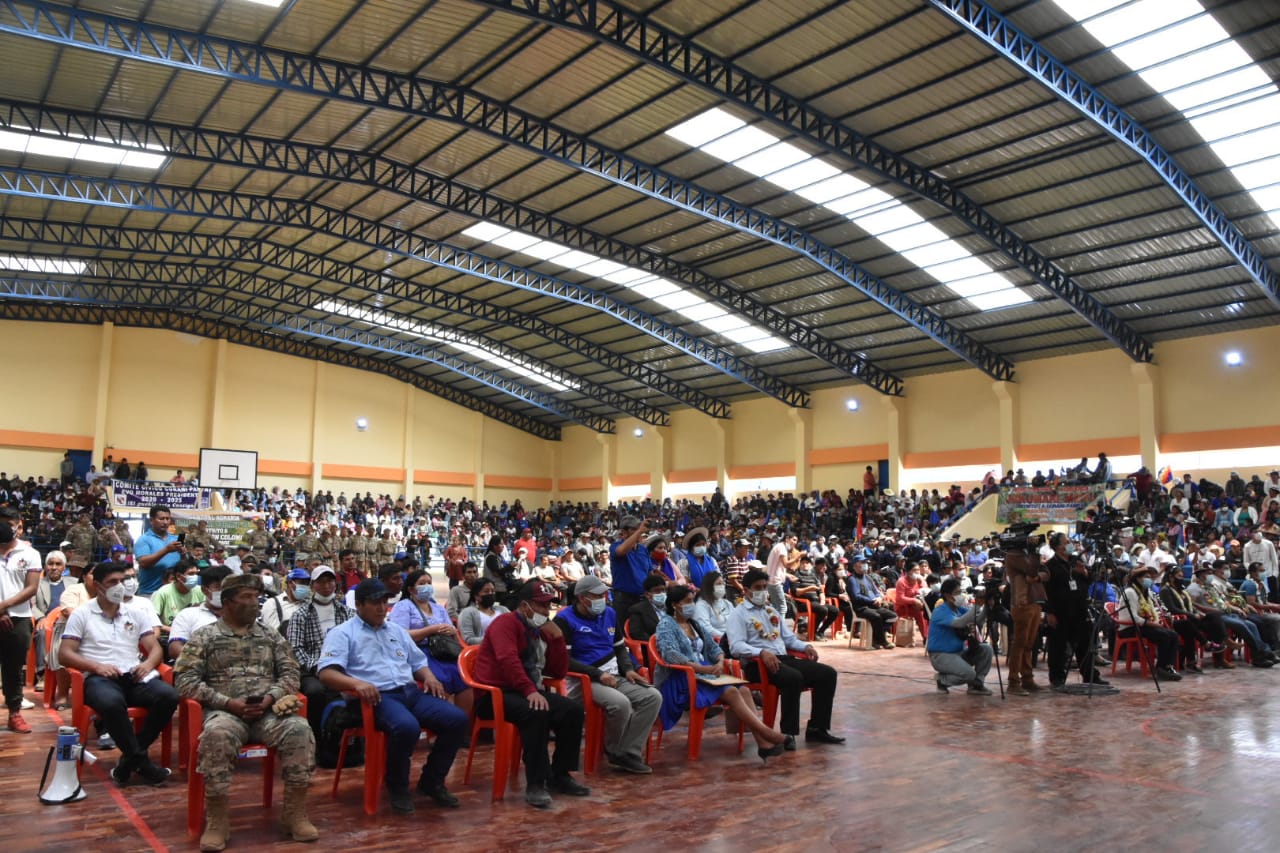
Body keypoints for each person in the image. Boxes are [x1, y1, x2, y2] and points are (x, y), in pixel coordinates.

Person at [174, 574, 318, 851]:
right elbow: (185, 680)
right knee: (216, 736)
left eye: (256, 597)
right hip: (225, 711)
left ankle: (294, 813)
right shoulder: (206, 636)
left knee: (299, 730)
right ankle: (217, 821)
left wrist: (270, 697)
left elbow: (290, 672)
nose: (255, 603)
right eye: (247, 598)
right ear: (227, 602)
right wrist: (226, 703)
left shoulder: (269, 635)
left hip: (268, 712)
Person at [318, 579, 468, 815]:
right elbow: (326, 672)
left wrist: (429, 676)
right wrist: (356, 683)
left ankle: (432, 780)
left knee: (457, 719)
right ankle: (397, 786)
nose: (381, 608)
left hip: (409, 692)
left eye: (384, 602)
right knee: (406, 727)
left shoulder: (396, 631)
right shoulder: (343, 633)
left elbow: (418, 662)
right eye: (374, 603)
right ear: (358, 605)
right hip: (377, 698)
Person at [470, 581, 589, 809]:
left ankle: (560, 774)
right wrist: (530, 691)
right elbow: (508, 661)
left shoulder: (537, 630)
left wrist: (558, 641)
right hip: (494, 694)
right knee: (536, 712)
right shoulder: (505, 624)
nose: (546, 612)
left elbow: (557, 671)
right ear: (525, 606)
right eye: (541, 606)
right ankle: (536, 782)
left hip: (525, 690)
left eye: (549, 607)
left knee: (572, 710)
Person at [59, 561, 178, 785]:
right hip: (99, 678)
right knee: (112, 703)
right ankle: (141, 762)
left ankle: (129, 761)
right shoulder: (82, 614)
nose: (120, 586)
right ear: (98, 586)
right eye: (112, 582)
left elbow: (155, 649)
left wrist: (148, 664)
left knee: (169, 696)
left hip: (133, 675)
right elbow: (64, 654)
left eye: (122, 581)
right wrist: (96, 666)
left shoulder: (135, 612)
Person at [654, 584, 787, 760]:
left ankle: (763, 743)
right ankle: (766, 733)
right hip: (681, 679)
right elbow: (671, 655)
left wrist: (718, 661)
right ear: (675, 604)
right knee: (731, 691)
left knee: (745, 690)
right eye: (687, 601)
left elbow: (714, 648)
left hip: (704, 676)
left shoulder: (694, 624)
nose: (691, 605)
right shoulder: (666, 625)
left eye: (693, 601)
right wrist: (703, 668)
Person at [554, 574, 661, 774]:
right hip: (584, 680)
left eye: (604, 594)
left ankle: (626, 752)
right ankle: (614, 750)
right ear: (582, 597)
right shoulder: (564, 619)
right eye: (597, 596)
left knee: (652, 697)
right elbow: (565, 660)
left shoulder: (610, 614)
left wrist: (629, 669)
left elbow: (620, 648)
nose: (603, 599)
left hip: (614, 674)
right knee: (620, 703)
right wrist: (596, 674)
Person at [727, 568, 844, 745]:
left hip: (783, 659)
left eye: (765, 587)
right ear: (746, 590)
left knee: (827, 674)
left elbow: (788, 639)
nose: (762, 591)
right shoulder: (738, 614)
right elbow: (736, 646)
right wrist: (761, 652)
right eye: (757, 587)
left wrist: (806, 646)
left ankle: (816, 728)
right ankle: (788, 734)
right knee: (793, 678)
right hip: (758, 664)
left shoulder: (771, 611)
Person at [389, 570, 473, 721]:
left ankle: (462, 727)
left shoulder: (438, 608)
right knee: (440, 679)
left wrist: (451, 630)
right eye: (421, 584)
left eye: (429, 583)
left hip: (443, 652)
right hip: (419, 653)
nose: (427, 586)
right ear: (410, 589)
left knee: (464, 679)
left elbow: (452, 631)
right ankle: (443, 723)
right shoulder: (404, 606)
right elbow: (399, 635)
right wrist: (430, 630)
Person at [287, 565, 355, 737]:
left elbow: (356, 642)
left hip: (343, 666)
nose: (326, 586)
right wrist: (316, 667)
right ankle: (316, 736)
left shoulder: (347, 612)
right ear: (313, 586)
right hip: (312, 669)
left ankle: (350, 739)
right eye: (321, 582)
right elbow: (295, 648)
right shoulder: (301, 614)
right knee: (315, 692)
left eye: (330, 581)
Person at [1043, 533, 1106, 688]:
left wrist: (1083, 572)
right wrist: (1049, 612)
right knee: (1058, 647)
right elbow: (1046, 592)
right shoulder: (1050, 566)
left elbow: (1090, 578)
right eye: (1067, 542)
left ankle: (1090, 675)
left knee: (1085, 644)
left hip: (1080, 610)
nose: (1070, 544)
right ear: (1058, 546)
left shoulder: (1075, 561)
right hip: (1060, 612)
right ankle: (1057, 677)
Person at [0, 521, 40, 732]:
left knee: (13, 668)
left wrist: (3, 607)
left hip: (19, 617)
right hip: (3, 614)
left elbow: (32, 588)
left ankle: (14, 713)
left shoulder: (29, 553)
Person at [1113, 566, 1182, 681]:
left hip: (1143, 625)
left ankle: (1168, 666)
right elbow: (1132, 617)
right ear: (1137, 578)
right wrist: (1152, 624)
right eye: (1146, 577)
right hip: (1129, 627)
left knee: (1172, 634)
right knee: (1163, 636)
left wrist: (1156, 621)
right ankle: (1161, 668)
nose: (1149, 580)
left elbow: (1152, 611)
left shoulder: (1146, 592)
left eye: (1150, 577)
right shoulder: (1130, 592)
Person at [927, 577, 994, 694]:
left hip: (958, 653)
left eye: (961, 592)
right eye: (957, 593)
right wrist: (977, 606)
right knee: (969, 674)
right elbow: (959, 623)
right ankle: (942, 680)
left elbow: (977, 622)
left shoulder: (959, 609)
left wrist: (986, 609)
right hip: (941, 655)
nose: (961, 595)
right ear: (948, 596)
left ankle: (976, 685)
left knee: (986, 649)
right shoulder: (940, 611)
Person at [168, 566, 233, 661]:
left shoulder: (242, 614)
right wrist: (209, 661)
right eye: (218, 587)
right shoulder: (188, 614)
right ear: (204, 590)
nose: (224, 592)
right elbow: (175, 649)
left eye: (227, 587)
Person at [846, 556, 897, 649]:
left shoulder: (868, 578)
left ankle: (875, 637)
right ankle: (883, 641)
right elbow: (856, 597)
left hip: (874, 605)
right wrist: (872, 601)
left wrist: (879, 598)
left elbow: (876, 591)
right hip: (861, 608)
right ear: (855, 565)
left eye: (865, 562)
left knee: (892, 616)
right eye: (862, 562)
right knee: (877, 616)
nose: (865, 564)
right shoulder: (852, 580)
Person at [609, 515, 652, 625]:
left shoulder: (643, 549)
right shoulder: (615, 546)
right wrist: (640, 531)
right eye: (634, 529)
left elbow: (649, 573)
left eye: (639, 528)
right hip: (624, 600)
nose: (639, 531)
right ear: (624, 532)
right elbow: (621, 551)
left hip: (643, 599)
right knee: (622, 634)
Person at [134, 504, 185, 596]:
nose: (165, 522)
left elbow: (184, 564)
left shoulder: (176, 538)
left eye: (167, 519)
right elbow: (144, 563)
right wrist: (166, 550)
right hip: (150, 593)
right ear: (151, 520)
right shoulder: (144, 539)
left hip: (173, 592)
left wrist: (183, 554)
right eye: (161, 519)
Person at [152, 559, 207, 628]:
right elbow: (153, 620)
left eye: (196, 573)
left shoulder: (200, 590)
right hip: (168, 634)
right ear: (178, 576)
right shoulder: (163, 592)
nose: (195, 577)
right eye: (191, 574)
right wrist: (171, 630)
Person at [692, 570, 735, 651]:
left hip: (733, 640)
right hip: (717, 644)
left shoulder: (727, 603)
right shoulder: (701, 605)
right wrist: (725, 638)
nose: (722, 586)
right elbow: (705, 628)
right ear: (709, 586)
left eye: (723, 583)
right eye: (719, 584)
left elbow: (736, 621)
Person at [458, 577, 508, 646]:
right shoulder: (467, 613)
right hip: (482, 650)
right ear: (476, 596)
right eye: (486, 591)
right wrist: (494, 639)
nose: (490, 594)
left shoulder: (503, 610)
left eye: (493, 591)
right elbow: (469, 639)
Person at [262, 568, 311, 635]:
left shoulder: (308, 604)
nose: (305, 587)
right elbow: (272, 634)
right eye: (302, 583)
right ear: (290, 583)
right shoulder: (272, 604)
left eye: (307, 584)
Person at [625, 574, 668, 642]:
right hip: (654, 646)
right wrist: (658, 642)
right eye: (657, 591)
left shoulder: (671, 606)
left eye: (663, 590)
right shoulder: (637, 610)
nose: (661, 593)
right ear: (647, 594)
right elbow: (637, 633)